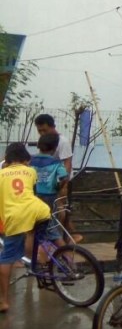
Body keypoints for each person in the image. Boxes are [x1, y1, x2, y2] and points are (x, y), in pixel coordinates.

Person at [0, 143, 55, 313]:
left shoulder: (1, 174)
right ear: (26, 159)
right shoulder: (30, 171)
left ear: (7, 159)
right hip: (40, 210)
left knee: (5, 258)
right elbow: (32, 192)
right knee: (33, 234)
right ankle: (36, 264)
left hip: (15, 217)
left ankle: (4, 301)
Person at [34, 114, 77, 239]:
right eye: (39, 130)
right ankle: (67, 235)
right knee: (54, 208)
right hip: (48, 181)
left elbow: (67, 162)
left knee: (59, 207)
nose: (42, 133)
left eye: (44, 130)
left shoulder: (62, 141)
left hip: (59, 180)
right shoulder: (45, 139)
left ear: (53, 127)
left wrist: (64, 183)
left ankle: (70, 234)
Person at [29, 133, 69, 254]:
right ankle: (68, 260)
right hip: (49, 197)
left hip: (34, 196)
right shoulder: (56, 162)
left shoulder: (31, 160)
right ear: (55, 147)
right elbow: (64, 177)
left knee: (34, 227)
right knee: (51, 226)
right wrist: (57, 187)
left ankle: (42, 257)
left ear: (38, 145)